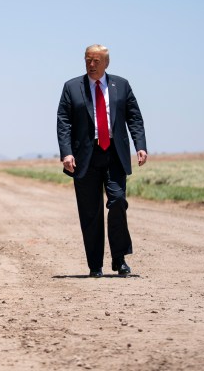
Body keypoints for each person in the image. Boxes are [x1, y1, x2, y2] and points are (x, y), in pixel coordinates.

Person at [56, 44, 147, 278]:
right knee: (90, 213)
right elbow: (63, 122)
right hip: (84, 158)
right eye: (88, 60)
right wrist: (66, 153)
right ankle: (95, 265)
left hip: (114, 155)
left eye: (96, 61)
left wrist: (140, 146)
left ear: (107, 62)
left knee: (117, 202)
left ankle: (120, 258)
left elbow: (134, 117)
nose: (91, 65)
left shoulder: (122, 85)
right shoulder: (72, 87)